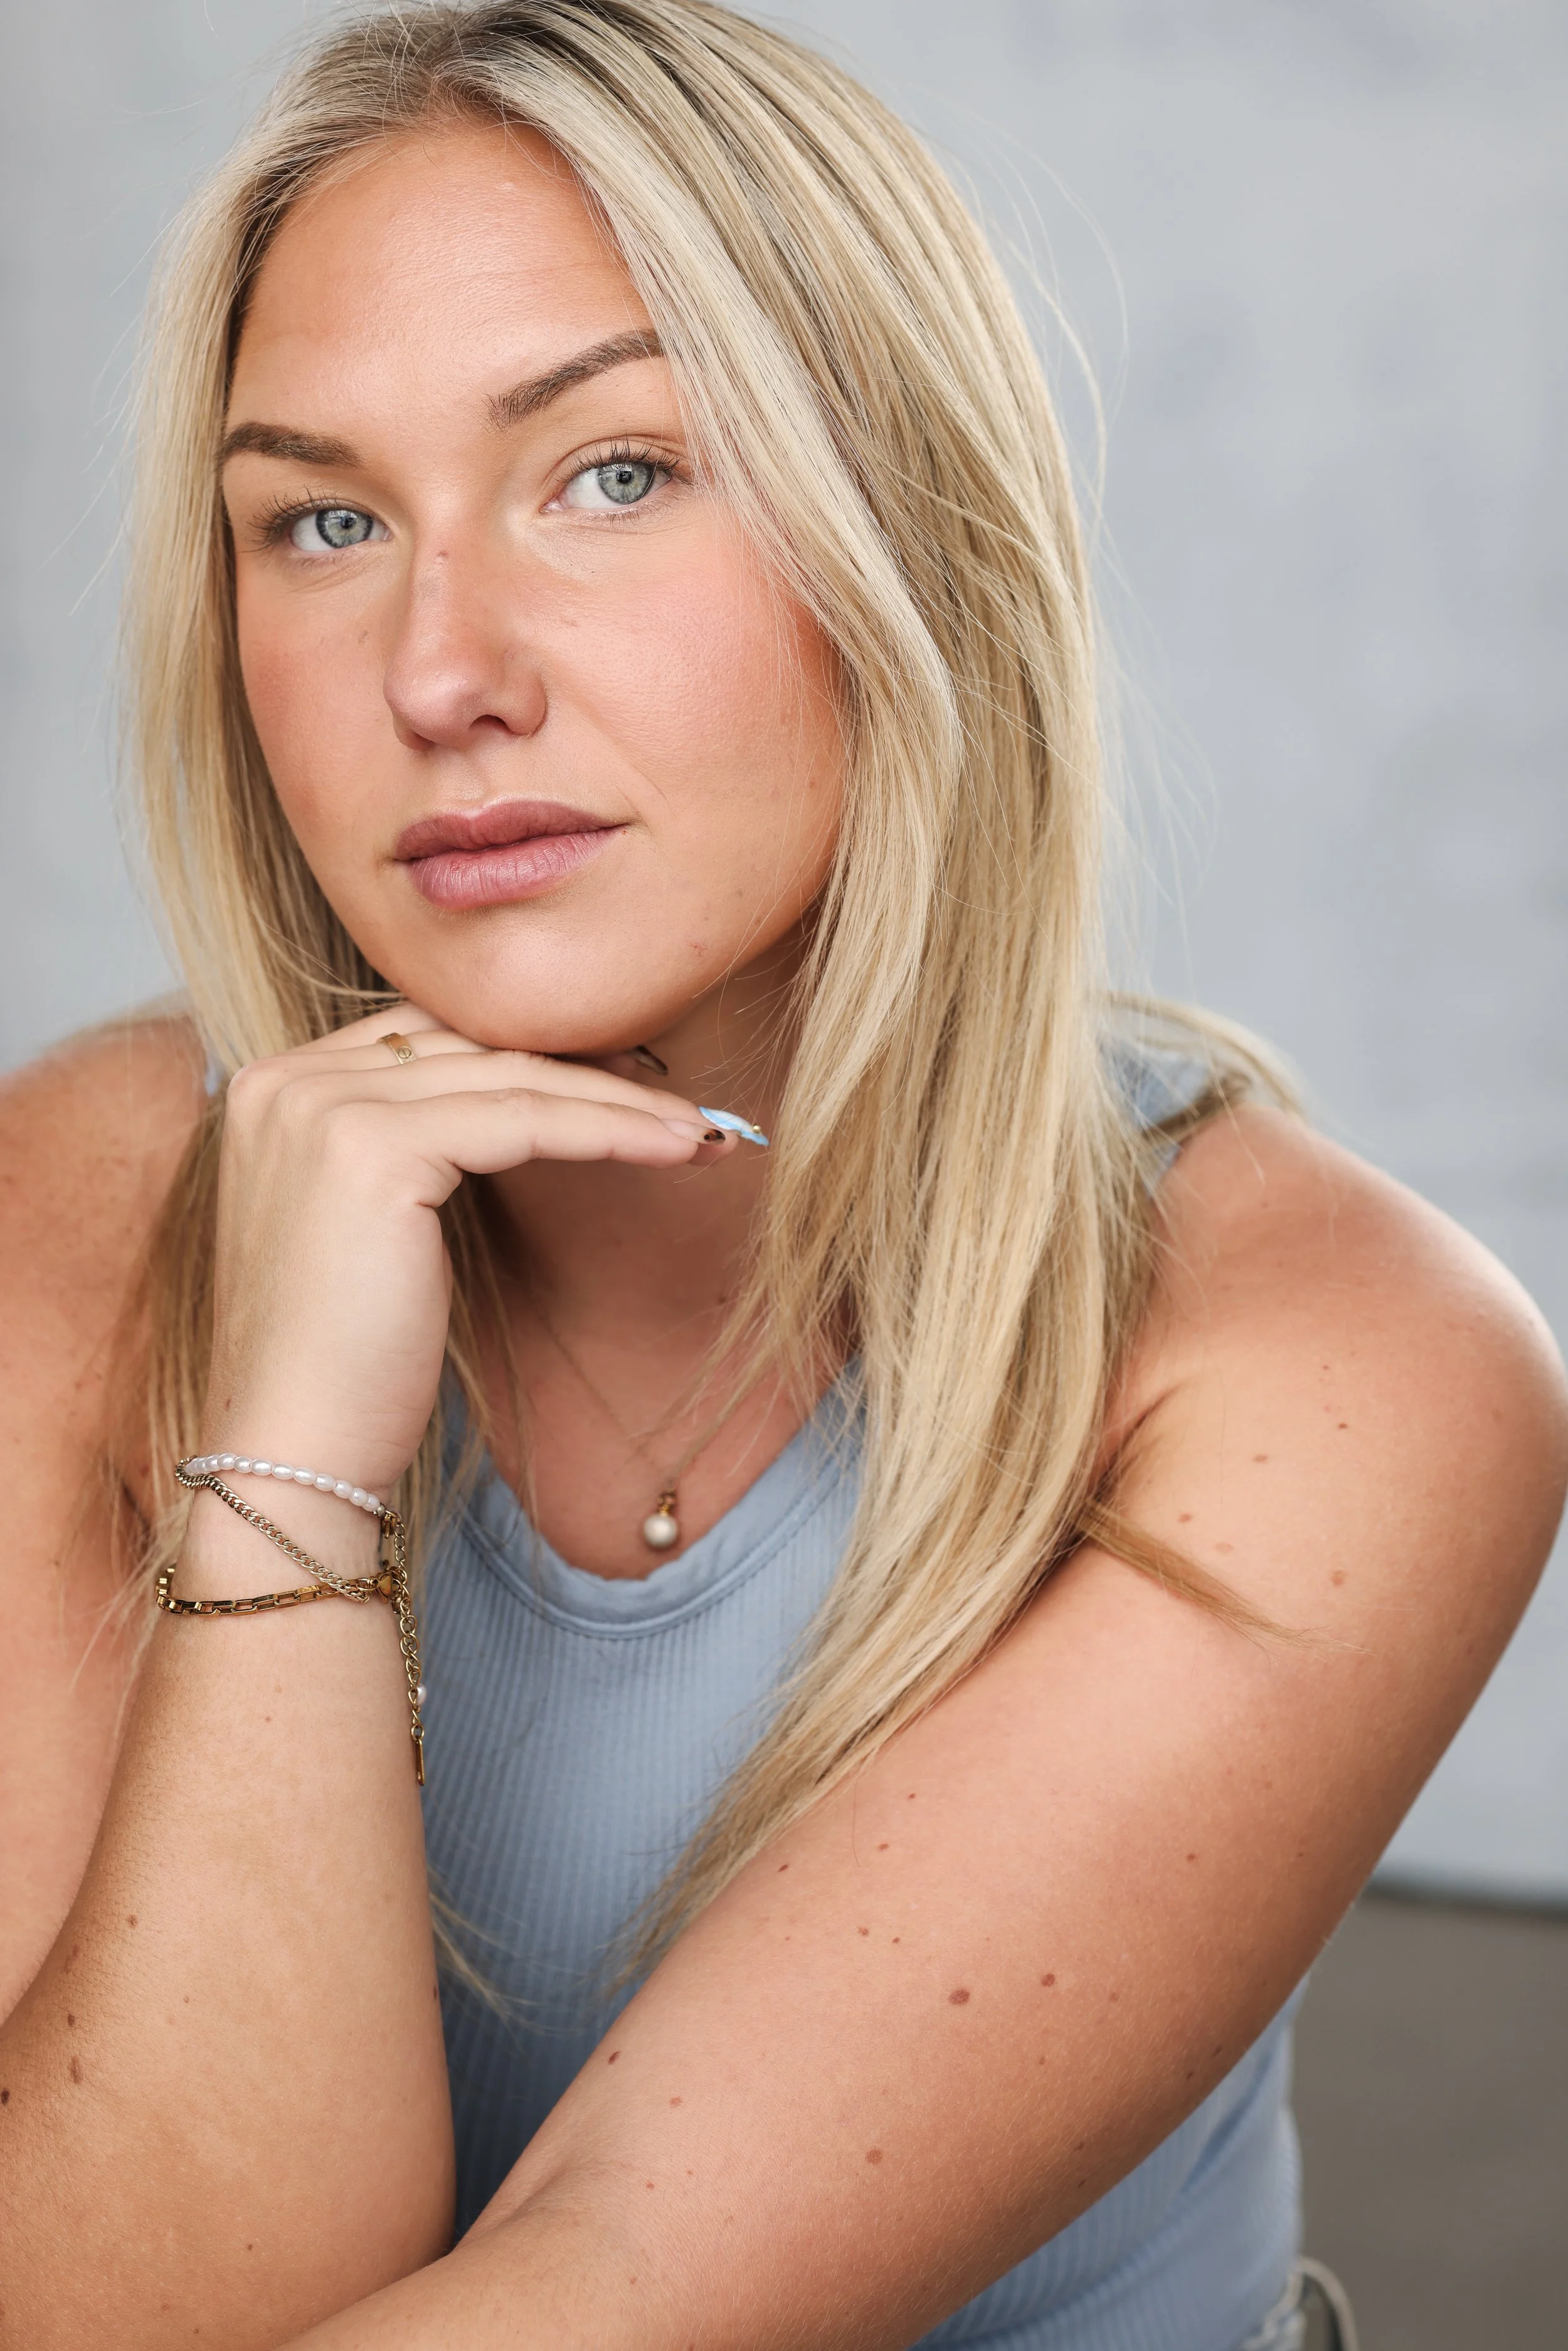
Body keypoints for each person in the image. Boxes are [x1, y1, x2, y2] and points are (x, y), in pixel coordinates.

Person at [0, 4, 1562, 2345]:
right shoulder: (94, 1197)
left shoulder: (1345, 1367)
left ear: (901, 521)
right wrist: (294, 1451)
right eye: (322, 520)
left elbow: (600, 2298)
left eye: (610, 472)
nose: (442, 670)